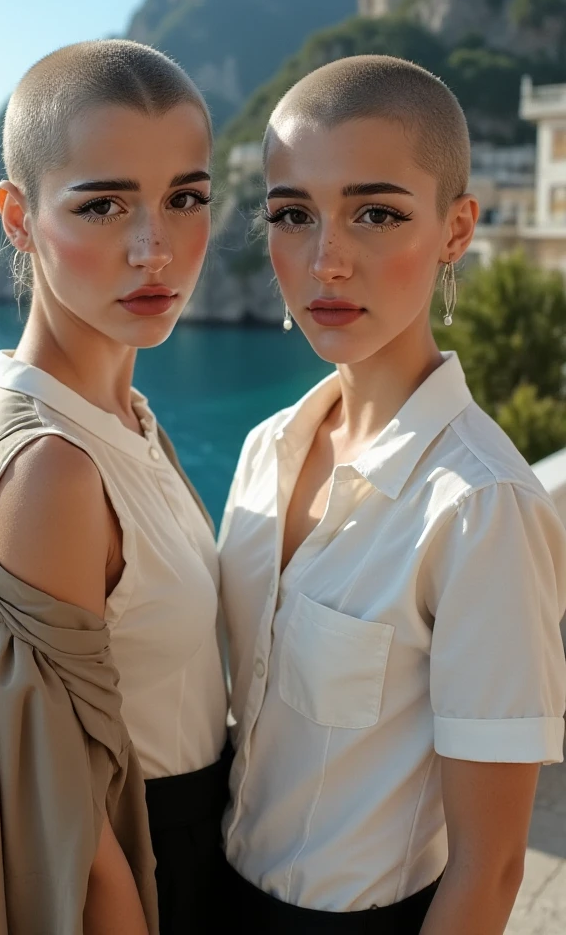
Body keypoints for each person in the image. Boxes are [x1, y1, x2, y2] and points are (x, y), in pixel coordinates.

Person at [218, 55, 566, 934]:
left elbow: (489, 875)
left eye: (376, 213)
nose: (326, 261)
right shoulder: (267, 452)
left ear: (456, 231)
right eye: (293, 215)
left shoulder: (482, 509)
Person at [0, 39, 229, 935]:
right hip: (156, 874)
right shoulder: (52, 466)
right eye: (102, 205)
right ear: (18, 216)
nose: (155, 248)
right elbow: (75, 830)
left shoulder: (125, 416)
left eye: (186, 199)